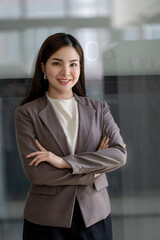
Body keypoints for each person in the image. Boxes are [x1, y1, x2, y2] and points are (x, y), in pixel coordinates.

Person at [14, 33, 127, 240]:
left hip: (95, 215)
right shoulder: (27, 113)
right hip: (46, 219)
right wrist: (92, 172)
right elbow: (37, 174)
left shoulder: (99, 109)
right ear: (43, 67)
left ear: (80, 67)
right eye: (57, 63)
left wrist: (62, 162)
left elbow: (119, 154)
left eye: (73, 64)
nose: (66, 72)